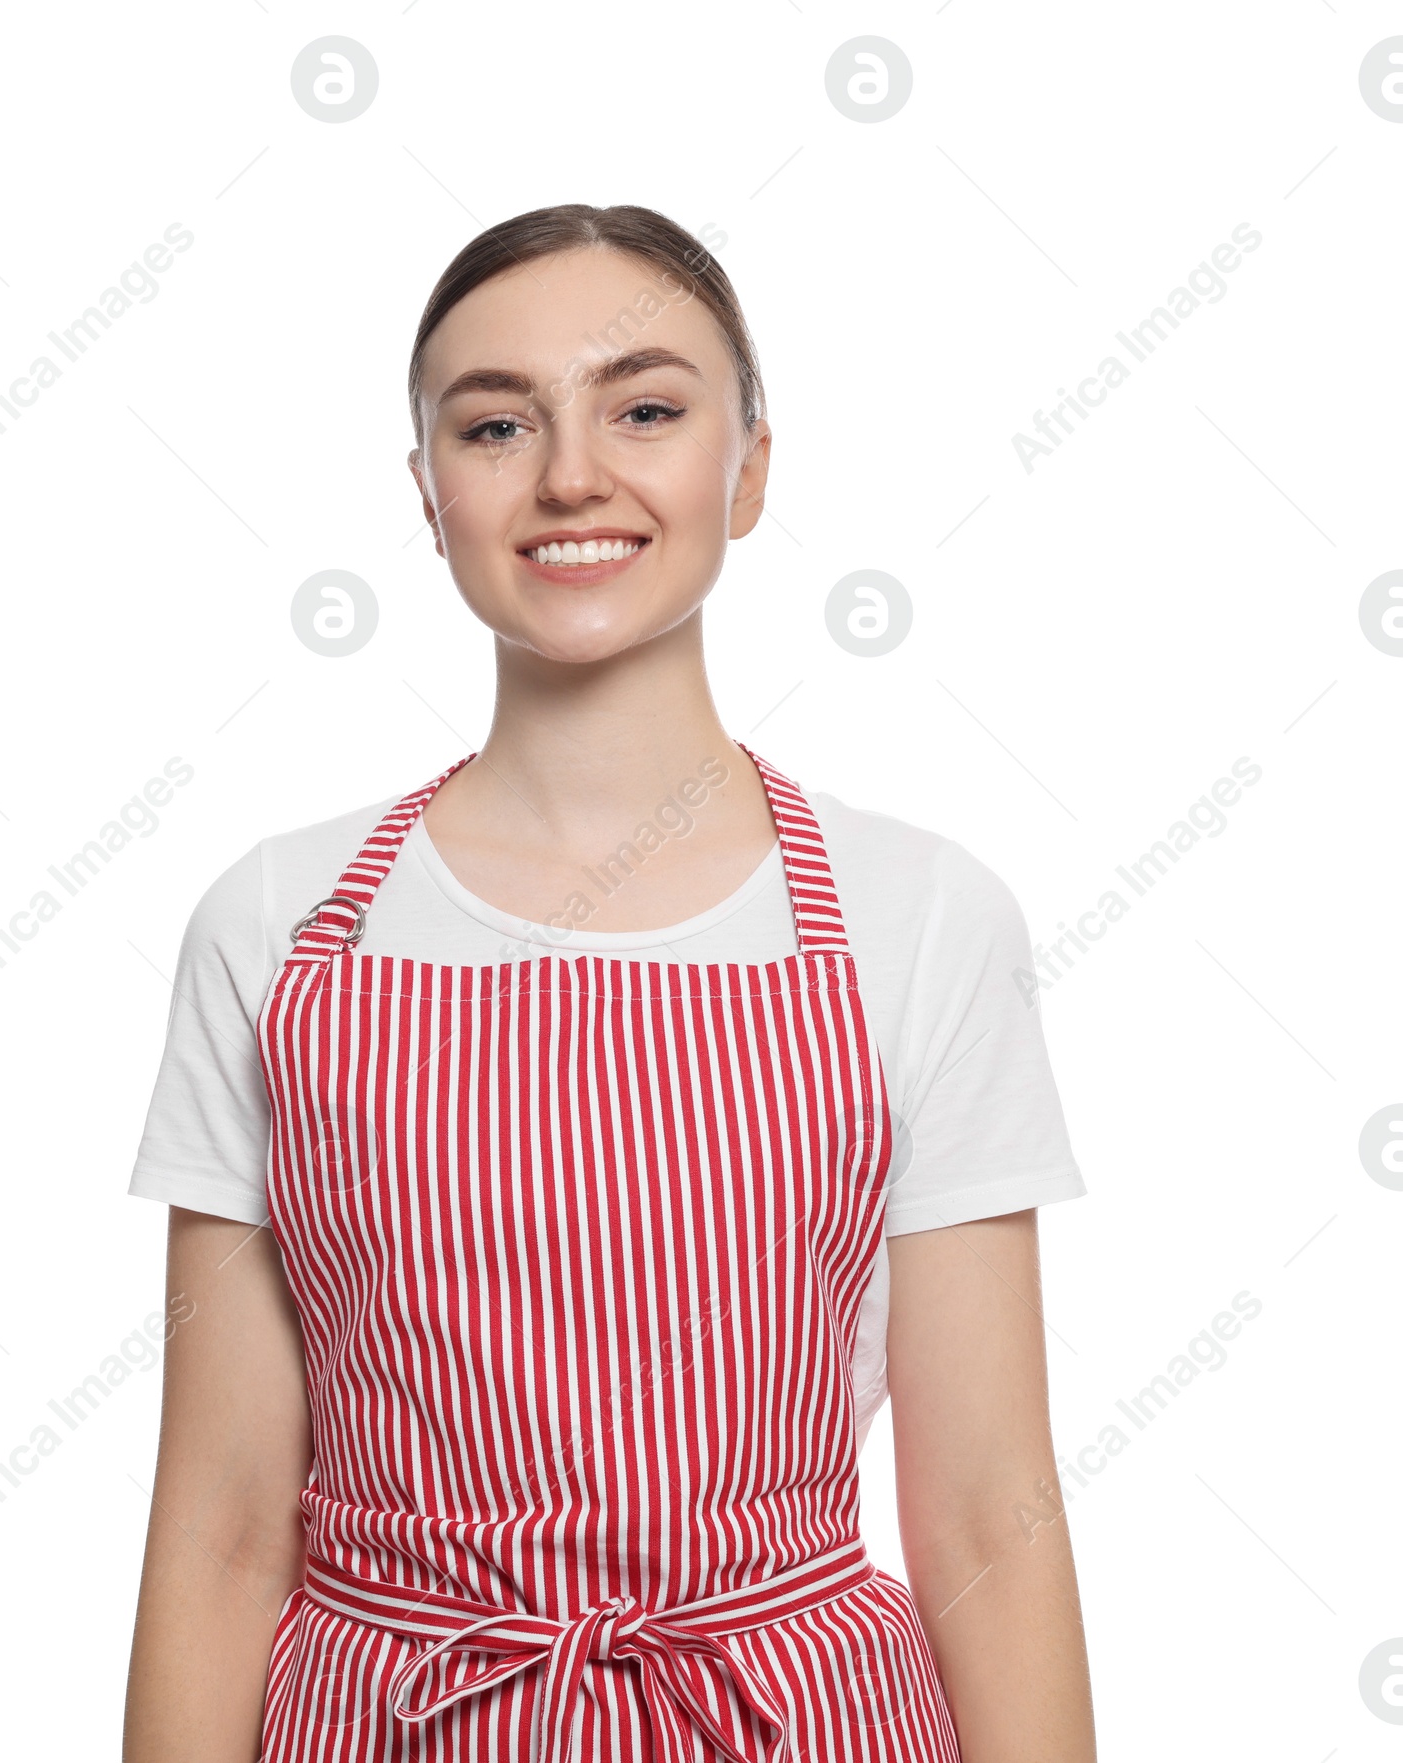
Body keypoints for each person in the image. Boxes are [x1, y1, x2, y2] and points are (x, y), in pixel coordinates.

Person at [122, 204, 1097, 1762]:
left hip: (801, 1726)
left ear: (752, 468)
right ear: (430, 497)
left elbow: (988, 1511)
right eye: (498, 423)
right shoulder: (276, 925)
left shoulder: (921, 918)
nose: (572, 473)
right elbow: (227, 1529)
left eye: (645, 408)